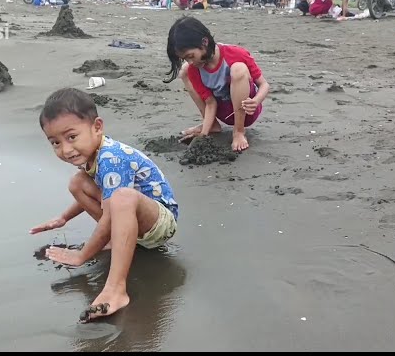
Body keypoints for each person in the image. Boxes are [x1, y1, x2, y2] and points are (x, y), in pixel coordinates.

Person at [29, 88, 179, 323]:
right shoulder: (91, 156)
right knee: (78, 183)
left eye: (71, 137)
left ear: (97, 127)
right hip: (133, 222)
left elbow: (113, 209)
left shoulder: (111, 158)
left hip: (160, 223)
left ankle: (116, 289)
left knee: (121, 198)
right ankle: (117, 240)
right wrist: (63, 219)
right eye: (55, 142)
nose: (65, 149)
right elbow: (100, 194)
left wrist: (83, 255)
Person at [164, 16, 270, 152]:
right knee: (185, 70)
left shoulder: (237, 53)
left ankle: (238, 132)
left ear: (204, 42)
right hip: (222, 111)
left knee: (238, 69)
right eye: (185, 58)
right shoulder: (194, 69)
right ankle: (211, 125)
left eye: (191, 56)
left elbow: (264, 85)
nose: (190, 62)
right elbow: (210, 103)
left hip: (246, 111)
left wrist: (256, 101)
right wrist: (203, 136)